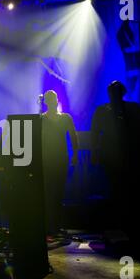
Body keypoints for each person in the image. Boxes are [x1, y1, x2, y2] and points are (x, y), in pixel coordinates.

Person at [90, 81, 140, 229]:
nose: (114, 94)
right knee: (114, 187)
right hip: (112, 154)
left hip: (129, 154)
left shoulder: (132, 109)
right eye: (112, 91)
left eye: (116, 91)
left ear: (121, 92)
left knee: (126, 188)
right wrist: (95, 151)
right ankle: (118, 222)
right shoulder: (104, 110)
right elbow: (95, 132)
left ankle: (126, 222)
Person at [41, 90, 78, 238]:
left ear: (57, 100)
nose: (51, 100)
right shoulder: (40, 118)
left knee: (58, 193)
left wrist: (75, 155)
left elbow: (73, 137)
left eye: (53, 98)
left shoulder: (65, 118)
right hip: (46, 159)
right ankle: (49, 226)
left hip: (61, 159)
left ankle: (56, 226)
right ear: (45, 102)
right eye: (48, 98)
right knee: (48, 193)